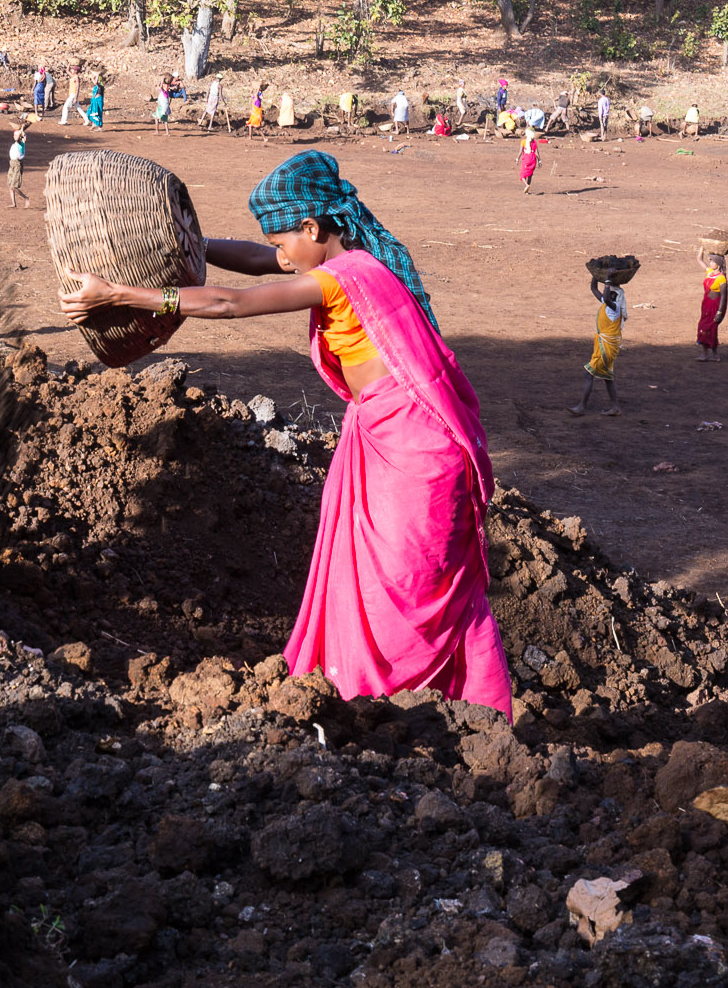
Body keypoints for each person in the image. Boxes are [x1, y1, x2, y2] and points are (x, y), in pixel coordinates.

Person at [57, 150, 511, 718]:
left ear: (312, 228)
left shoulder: (344, 277)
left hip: (414, 451)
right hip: (384, 432)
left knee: (407, 580)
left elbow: (230, 302)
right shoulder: (352, 257)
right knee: (377, 576)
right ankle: (382, 698)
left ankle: (416, 704)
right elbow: (254, 260)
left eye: (286, 241)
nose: (281, 256)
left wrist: (121, 297)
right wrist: (183, 249)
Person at [569, 277, 626, 416]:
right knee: (608, 377)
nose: (606, 294)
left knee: (589, 374)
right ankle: (615, 407)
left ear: (614, 296)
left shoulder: (614, 307)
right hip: (606, 346)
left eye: (609, 292)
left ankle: (581, 407)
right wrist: (596, 275)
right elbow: (594, 289)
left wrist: (607, 280)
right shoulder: (608, 304)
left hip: (606, 347)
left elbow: (605, 297)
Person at [696, 251, 728, 360]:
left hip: (715, 306)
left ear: (718, 264)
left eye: (713, 261)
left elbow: (723, 296)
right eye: (710, 260)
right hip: (706, 304)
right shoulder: (709, 273)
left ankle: (715, 353)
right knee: (702, 327)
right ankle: (704, 353)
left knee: (712, 328)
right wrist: (702, 248)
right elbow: (699, 259)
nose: (710, 263)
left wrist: (720, 312)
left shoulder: (721, 278)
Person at [8, 118, 31, 209]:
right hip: (12, 163)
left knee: (13, 187)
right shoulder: (17, 143)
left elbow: (18, 138)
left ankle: (26, 198)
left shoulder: (20, 143)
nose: (14, 136)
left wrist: (21, 129)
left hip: (17, 164)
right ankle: (14, 203)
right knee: (10, 185)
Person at [60, 59, 84, 124]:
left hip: (73, 94)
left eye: (73, 69)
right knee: (78, 108)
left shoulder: (76, 77)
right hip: (72, 94)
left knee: (65, 106)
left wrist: (76, 97)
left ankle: (64, 120)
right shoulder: (73, 76)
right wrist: (69, 63)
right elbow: (67, 70)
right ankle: (87, 119)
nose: (71, 70)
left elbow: (78, 87)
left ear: (75, 71)